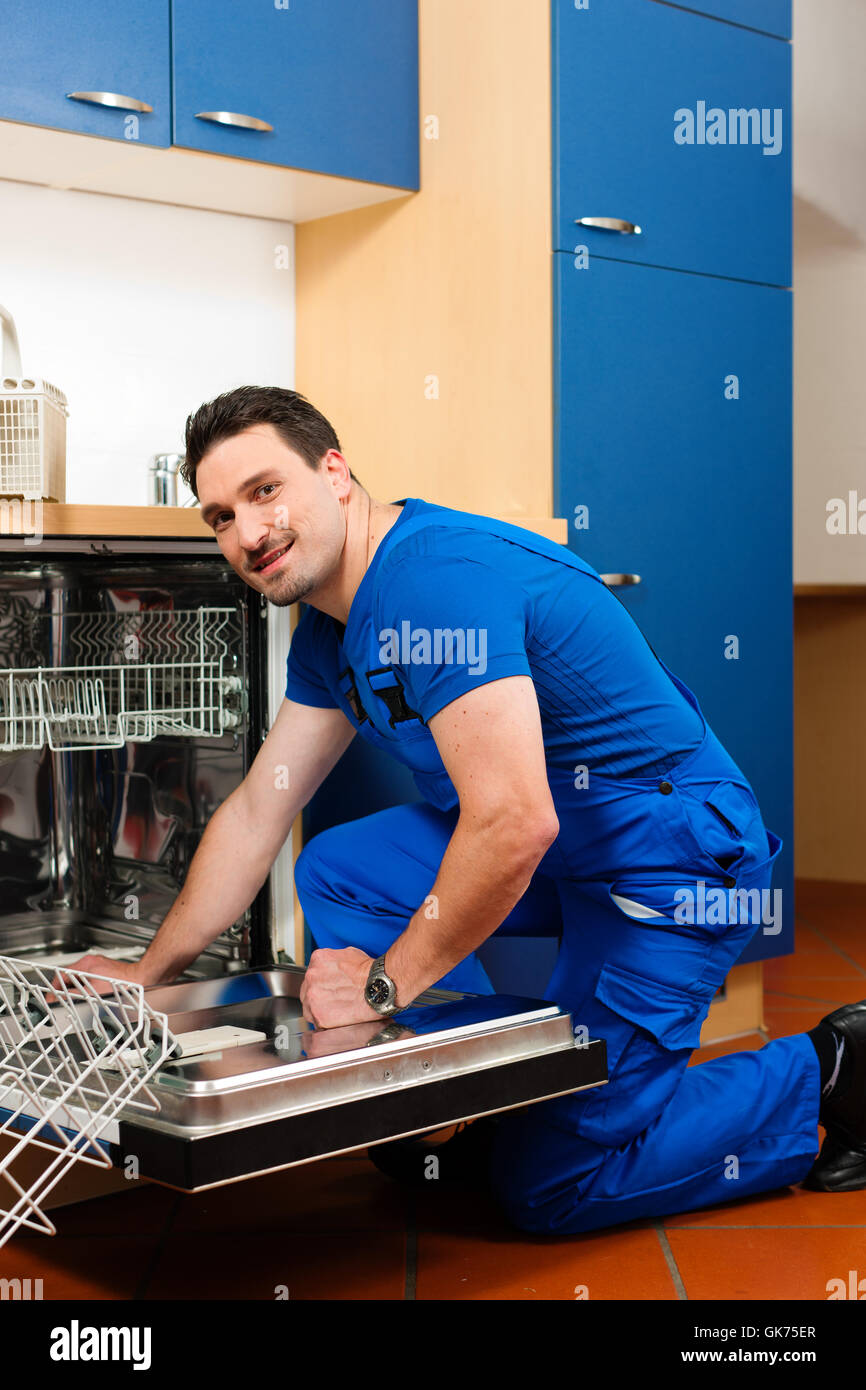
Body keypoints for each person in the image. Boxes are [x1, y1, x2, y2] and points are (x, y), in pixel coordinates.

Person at [69, 386, 866, 1234]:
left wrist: (383, 984)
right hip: (567, 847)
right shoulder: (329, 628)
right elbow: (259, 812)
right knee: (340, 868)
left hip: (670, 860)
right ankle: (468, 1091)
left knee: (547, 1187)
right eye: (220, 516)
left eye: (266, 491)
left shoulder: (433, 583)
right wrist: (144, 976)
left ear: (334, 473)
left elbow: (514, 824)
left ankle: (831, 1069)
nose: (248, 533)